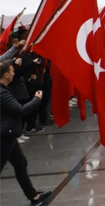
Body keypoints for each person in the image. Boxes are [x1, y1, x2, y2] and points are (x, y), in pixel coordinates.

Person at [1, 61, 51, 206]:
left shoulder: (4, 89)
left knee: (20, 164)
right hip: (4, 137)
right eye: (12, 71)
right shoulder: (2, 93)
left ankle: (34, 196)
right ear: (5, 74)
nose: (14, 73)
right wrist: (37, 99)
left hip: (9, 135)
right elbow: (20, 110)